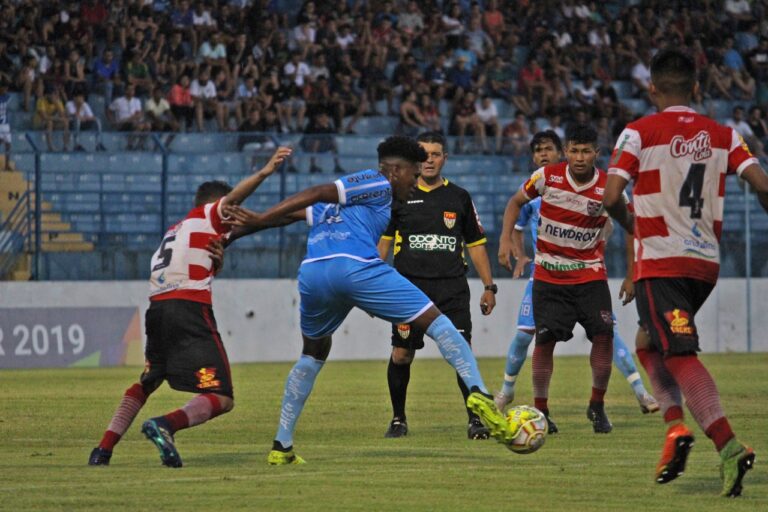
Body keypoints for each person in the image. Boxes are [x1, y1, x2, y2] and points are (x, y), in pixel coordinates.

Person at [223, 136, 515, 465]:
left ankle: (282, 445)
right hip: (356, 268)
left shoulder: (356, 202)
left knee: (313, 352)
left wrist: (232, 236)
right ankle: (478, 393)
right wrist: (260, 220)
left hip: (314, 274)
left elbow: (287, 216)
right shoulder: (378, 182)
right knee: (439, 323)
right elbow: (320, 191)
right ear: (395, 170)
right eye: (413, 173)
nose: (416, 182)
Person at [604, 48, 768, 497]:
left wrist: (633, 226)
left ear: (651, 88)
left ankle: (728, 444)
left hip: (662, 261)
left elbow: (611, 194)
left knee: (678, 354)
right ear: (696, 89)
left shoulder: (637, 133)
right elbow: (763, 185)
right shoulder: (726, 135)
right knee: (646, 341)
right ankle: (675, 428)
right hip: (705, 265)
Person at [87, 146, 293, 468]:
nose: (237, 215)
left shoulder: (177, 231)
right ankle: (165, 425)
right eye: (234, 208)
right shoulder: (210, 215)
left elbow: (253, 228)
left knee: (148, 380)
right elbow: (235, 206)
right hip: (188, 310)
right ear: (220, 206)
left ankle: (102, 450)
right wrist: (265, 172)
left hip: (157, 311)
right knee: (222, 397)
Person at [495, 131, 659, 433]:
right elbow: (515, 202)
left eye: (585, 151)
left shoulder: (609, 186)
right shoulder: (546, 177)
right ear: (566, 152)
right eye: (574, 151)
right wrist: (505, 240)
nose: (580, 158)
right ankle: (541, 411)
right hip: (548, 275)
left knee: (604, 336)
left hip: (589, 274)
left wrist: (632, 272)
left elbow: (630, 227)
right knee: (544, 341)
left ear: (596, 152)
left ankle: (596, 405)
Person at [377, 132, 497, 440]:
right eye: (425, 154)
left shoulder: (459, 197)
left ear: (445, 158)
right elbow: (384, 244)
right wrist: (373, 285)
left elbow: (477, 244)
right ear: (417, 160)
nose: (430, 159)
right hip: (408, 290)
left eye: (436, 154)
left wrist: (489, 286)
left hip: (452, 289)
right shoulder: (399, 195)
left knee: (461, 352)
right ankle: (398, 418)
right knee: (402, 355)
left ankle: (475, 420)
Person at [0, 81, 11, 171]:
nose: (5, 90)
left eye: (6, 88)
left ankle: (7, 164)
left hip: (5, 124)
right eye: (4, 88)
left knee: (8, 144)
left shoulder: (7, 97)